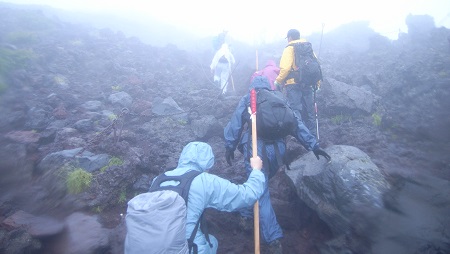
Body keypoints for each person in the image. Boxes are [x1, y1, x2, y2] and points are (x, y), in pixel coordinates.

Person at [224, 76, 330, 253]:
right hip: (280, 150)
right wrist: (314, 145)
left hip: (257, 148)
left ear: (253, 86)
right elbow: (297, 124)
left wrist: (229, 146)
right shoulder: (280, 98)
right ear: (269, 86)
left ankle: (272, 237)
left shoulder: (250, 98)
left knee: (260, 189)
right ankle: (246, 215)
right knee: (261, 184)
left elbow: (236, 123)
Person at [149, 141, 265, 254]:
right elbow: (246, 196)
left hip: (149, 245)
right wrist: (256, 170)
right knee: (212, 242)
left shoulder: (158, 180)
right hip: (185, 248)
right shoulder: (204, 181)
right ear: (208, 161)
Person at [274, 29, 320, 137]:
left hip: (293, 84)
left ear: (289, 37)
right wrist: (317, 83)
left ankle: (301, 136)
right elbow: (315, 67)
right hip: (308, 83)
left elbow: (285, 68)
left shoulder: (289, 48)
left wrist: (278, 81)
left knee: (295, 110)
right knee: (309, 111)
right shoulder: (308, 48)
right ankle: (312, 137)